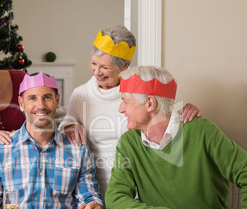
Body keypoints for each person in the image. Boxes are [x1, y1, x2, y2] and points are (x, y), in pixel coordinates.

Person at [105, 66, 247, 209]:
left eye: (125, 101)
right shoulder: (129, 143)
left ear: (150, 103)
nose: (121, 109)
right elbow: (114, 201)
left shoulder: (201, 130)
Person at [59, 26, 201, 199]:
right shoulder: (81, 94)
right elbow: (66, 123)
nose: (97, 72)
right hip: (94, 189)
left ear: (124, 66)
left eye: (104, 67)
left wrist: (183, 110)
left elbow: (162, 116)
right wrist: (70, 124)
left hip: (139, 187)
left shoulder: (140, 94)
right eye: (94, 63)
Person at [0, 71, 105, 209]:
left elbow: (89, 197)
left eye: (47, 97)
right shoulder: (0, 150)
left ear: (57, 101)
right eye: (32, 98)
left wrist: (95, 208)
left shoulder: (77, 149)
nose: (40, 105)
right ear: (21, 103)